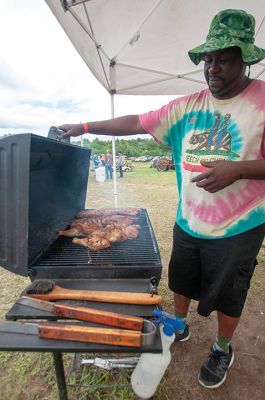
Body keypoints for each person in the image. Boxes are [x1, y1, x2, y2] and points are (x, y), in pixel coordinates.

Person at [57, 9, 265, 390]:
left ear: (245, 58)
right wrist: (85, 126)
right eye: (208, 59)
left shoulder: (262, 101)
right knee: (181, 282)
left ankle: (222, 347)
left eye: (224, 58)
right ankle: (178, 325)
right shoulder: (188, 105)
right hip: (188, 221)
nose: (212, 67)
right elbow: (137, 121)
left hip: (241, 225)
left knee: (230, 295)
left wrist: (239, 169)